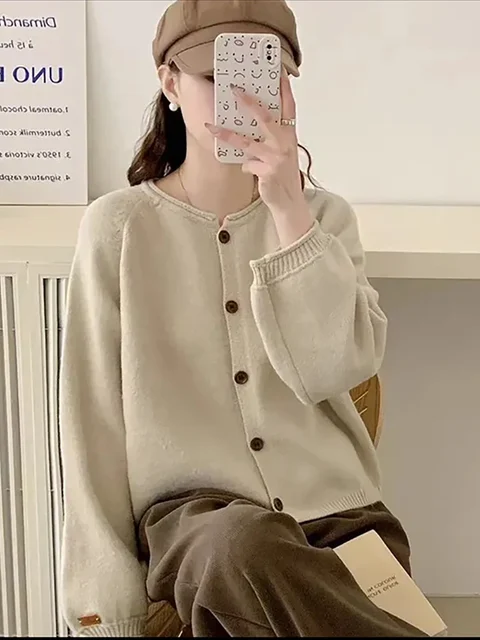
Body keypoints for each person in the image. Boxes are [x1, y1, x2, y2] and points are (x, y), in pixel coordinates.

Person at [59, 0, 424, 637]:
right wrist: (104, 615)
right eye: (215, 77)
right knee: (241, 546)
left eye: (261, 76)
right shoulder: (118, 230)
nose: (243, 98)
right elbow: (93, 429)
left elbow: (334, 371)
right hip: (202, 528)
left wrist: (289, 214)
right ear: (170, 83)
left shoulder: (323, 221)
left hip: (339, 519)